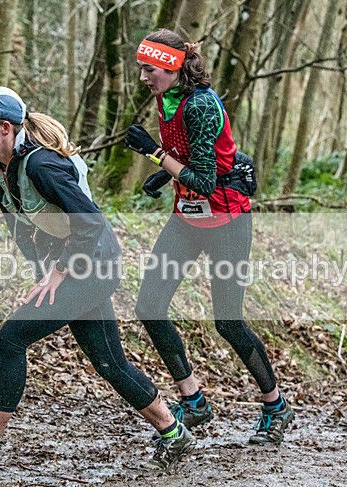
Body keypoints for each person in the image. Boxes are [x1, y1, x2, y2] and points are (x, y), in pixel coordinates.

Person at [0, 86, 194, 473]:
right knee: (109, 361)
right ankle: (173, 432)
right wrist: (42, 271)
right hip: (75, 263)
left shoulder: (41, 165)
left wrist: (59, 271)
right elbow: (19, 223)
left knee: (11, 338)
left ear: (5, 128)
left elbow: (89, 222)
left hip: (94, 264)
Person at [123, 29, 294, 444]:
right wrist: (163, 175)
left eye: (150, 69)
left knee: (228, 321)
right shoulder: (168, 99)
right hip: (186, 219)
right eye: (141, 69)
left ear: (173, 66)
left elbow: (203, 179)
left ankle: (276, 405)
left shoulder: (201, 104)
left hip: (226, 222)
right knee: (149, 306)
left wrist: (154, 154)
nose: (144, 77)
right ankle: (193, 399)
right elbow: (194, 154)